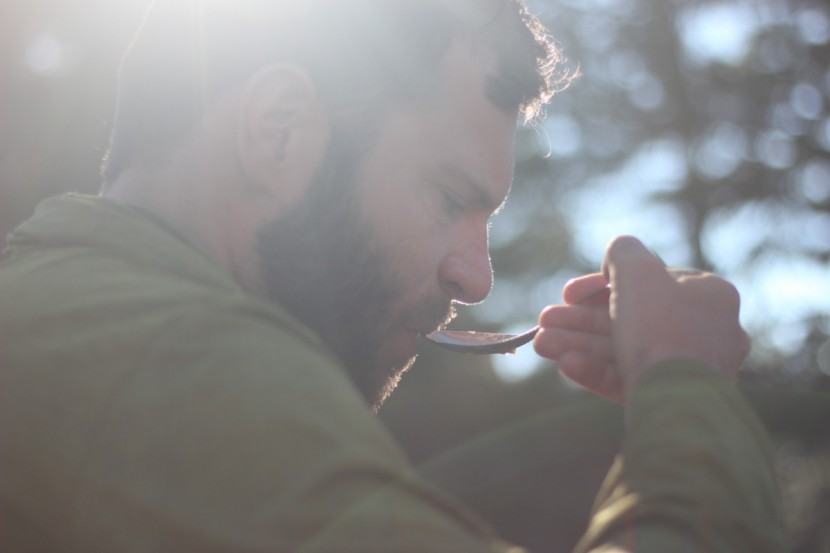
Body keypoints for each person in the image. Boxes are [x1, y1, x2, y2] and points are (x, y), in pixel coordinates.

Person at [0, 0, 785, 551]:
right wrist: (688, 388)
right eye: (450, 197)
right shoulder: (172, 355)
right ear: (278, 130)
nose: (476, 278)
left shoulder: (68, 313)